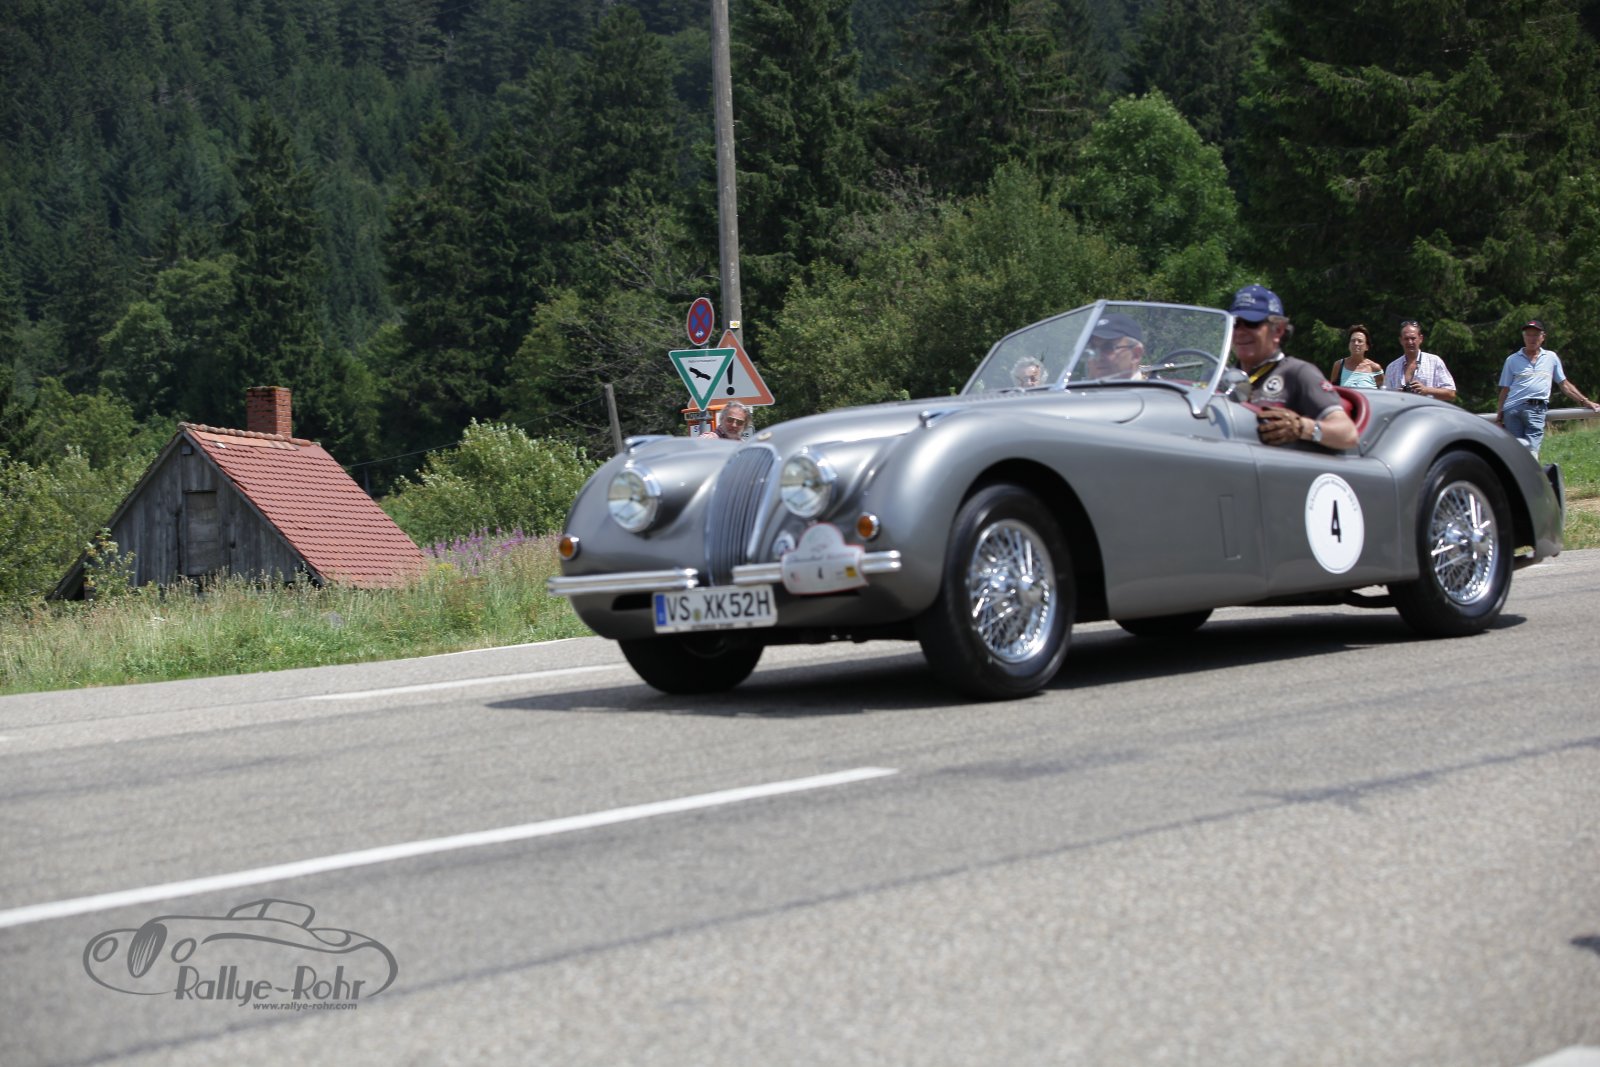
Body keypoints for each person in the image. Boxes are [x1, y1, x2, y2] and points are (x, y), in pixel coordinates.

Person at [1228, 284, 1358, 450]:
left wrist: (1302, 427)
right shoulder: (1221, 377)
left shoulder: (1298, 373)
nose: (1240, 331)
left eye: (1251, 323)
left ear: (1278, 330)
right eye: (1235, 323)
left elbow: (1348, 435)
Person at [1494, 319, 1600, 458]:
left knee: (1531, 453)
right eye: (1528, 335)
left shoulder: (1551, 357)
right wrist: (1499, 416)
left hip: (1535, 408)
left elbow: (1564, 384)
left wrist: (1585, 401)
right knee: (1515, 453)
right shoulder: (1512, 360)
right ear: (1523, 337)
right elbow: (1505, 390)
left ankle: (1529, 471)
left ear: (1543, 337)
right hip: (1512, 410)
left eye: (1535, 335)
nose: (1532, 338)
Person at [1382, 319, 1457, 401]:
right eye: (1406, 339)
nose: (1410, 342)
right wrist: (1397, 394)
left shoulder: (1434, 362)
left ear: (1420, 338)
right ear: (1401, 340)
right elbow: (1385, 398)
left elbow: (1451, 393)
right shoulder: (1392, 367)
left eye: (1413, 338)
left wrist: (1426, 390)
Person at [1083, 312, 1146, 379]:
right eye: (1093, 348)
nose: (1097, 358)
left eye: (1108, 347)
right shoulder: (1079, 385)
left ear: (1136, 355)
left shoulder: (1151, 384)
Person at [1329, 324, 1383, 388]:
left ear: (1367, 347)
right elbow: (1333, 390)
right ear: (1349, 345)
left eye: (1360, 341)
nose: (1356, 343)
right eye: (1353, 341)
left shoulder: (1375, 368)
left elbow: (1383, 391)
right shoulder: (1339, 365)